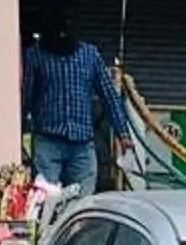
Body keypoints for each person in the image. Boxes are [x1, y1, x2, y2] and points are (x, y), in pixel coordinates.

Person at [21, 11, 129, 192]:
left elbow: (109, 95)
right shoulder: (36, 55)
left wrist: (123, 133)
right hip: (47, 141)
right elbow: (27, 97)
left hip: (82, 145)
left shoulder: (90, 55)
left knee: (83, 203)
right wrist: (20, 132)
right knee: (46, 203)